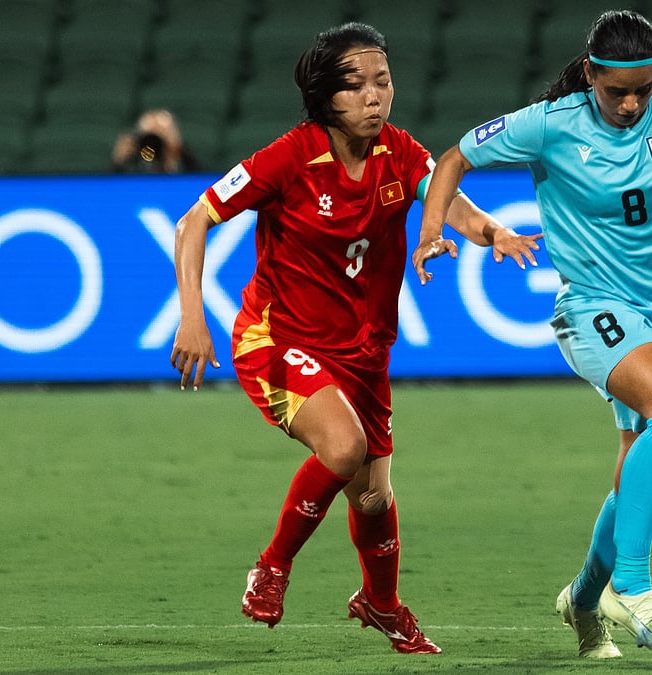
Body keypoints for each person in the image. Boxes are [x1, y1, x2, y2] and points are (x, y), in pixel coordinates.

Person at [411, 10, 652, 661]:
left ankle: (584, 603)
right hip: (592, 308)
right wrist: (430, 231)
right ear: (590, 74)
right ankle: (633, 586)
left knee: (633, 475)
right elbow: (452, 158)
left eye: (641, 89)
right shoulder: (551, 123)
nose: (630, 103)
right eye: (616, 89)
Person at [169, 22, 541, 654]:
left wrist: (493, 233)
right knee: (343, 449)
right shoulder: (288, 157)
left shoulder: (401, 153)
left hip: (364, 353)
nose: (375, 97)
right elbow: (194, 219)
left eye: (384, 81)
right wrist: (191, 316)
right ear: (325, 97)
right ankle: (273, 564)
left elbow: (450, 203)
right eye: (357, 86)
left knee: (373, 496)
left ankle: (382, 604)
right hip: (278, 339)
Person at [111, 109, 200, 173]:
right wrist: (119, 162)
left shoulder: (184, 161)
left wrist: (179, 153)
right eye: (149, 138)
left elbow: (202, 180)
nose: (153, 145)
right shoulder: (132, 166)